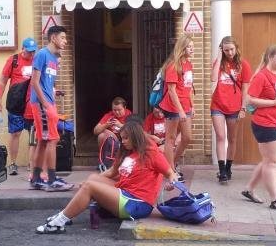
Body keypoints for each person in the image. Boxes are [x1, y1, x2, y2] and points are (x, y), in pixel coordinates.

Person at [36, 120, 178, 234]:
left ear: (136, 137)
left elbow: (171, 174)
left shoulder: (151, 153)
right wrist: (91, 182)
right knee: (91, 180)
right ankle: (66, 214)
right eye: (122, 138)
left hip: (138, 204)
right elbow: (111, 172)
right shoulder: (127, 151)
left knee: (89, 186)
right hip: (125, 192)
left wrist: (171, 183)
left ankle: (58, 222)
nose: (123, 141)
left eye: (126, 138)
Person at [240, 44, 276, 212]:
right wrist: (273, 103)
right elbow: (249, 99)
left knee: (267, 160)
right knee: (272, 162)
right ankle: (275, 200)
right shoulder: (262, 76)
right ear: (270, 57)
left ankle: (249, 189)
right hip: (265, 123)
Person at [28, 25, 74, 192]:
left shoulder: (54, 58)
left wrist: (53, 93)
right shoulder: (42, 54)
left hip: (48, 102)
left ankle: (36, 178)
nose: (65, 41)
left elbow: (45, 82)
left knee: (43, 140)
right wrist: (45, 103)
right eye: (62, 37)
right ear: (53, 38)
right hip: (43, 104)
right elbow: (34, 82)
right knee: (52, 140)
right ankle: (52, 180)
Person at [210, 36, 252, 184]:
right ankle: (222, 171)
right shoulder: (219, 63)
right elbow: (213, 78)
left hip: (235, 107)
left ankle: (228, 168)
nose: (229, 52)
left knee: (232, 138)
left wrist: (243, 108)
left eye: (231, 49)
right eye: (226, 50)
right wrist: (219, 57)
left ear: (236, 48)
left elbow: (245, 89)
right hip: (218, 105)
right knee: (220, 136)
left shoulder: (243, 65)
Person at [158, 34, 195, 179]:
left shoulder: (188, 64)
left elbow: (189, 87)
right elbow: (172, 91)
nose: (191, 49)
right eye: (189, 47)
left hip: (185, 105)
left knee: (187, 137)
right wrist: (180, 111)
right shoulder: (173, 65)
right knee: (171, 138)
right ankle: (171, 171)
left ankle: (171, 163)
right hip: (172, 106)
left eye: (192, 47)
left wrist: (192, 106)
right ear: (182, 48)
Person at [0, 37, 37, 176]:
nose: (31, 54)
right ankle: (13, 163)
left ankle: (31, 163)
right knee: (15, 133)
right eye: (29, 51)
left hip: (32, 103)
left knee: (33, 133)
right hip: (16, 102)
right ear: (22, 49)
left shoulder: (37, 60)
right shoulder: (13, 60)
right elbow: (3, 80)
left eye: (33, 51)